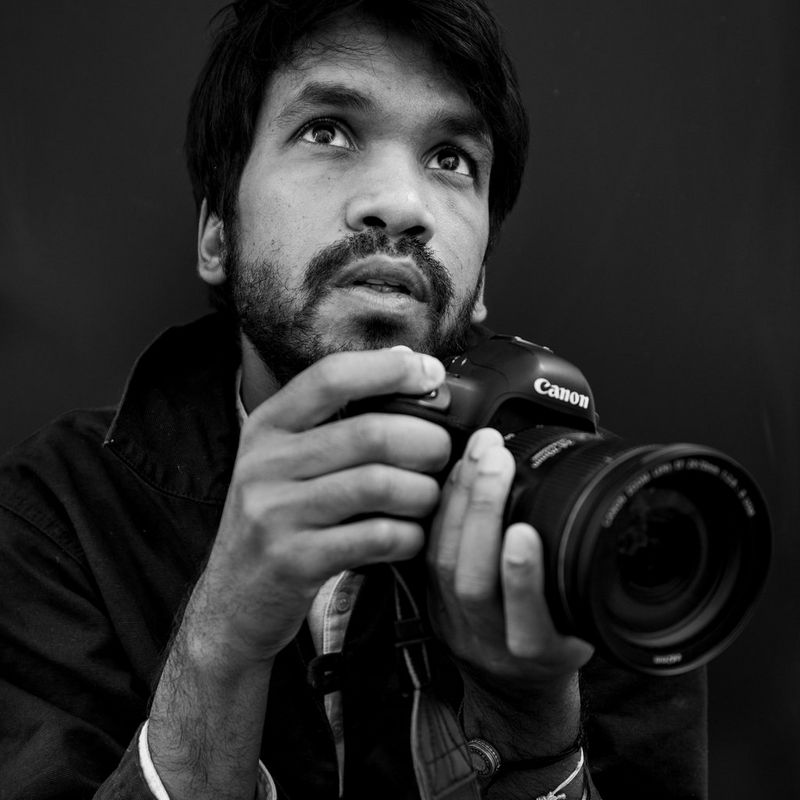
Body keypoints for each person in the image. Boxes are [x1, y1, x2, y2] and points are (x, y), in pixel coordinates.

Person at [0, 1, 708, 798]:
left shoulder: (606, 517)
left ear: (480, 286)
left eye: (450, 158)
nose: (401, 204)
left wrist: (538, 742)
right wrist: (220, 643)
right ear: (217, 235)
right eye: (328, 131)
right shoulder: (53, 516)